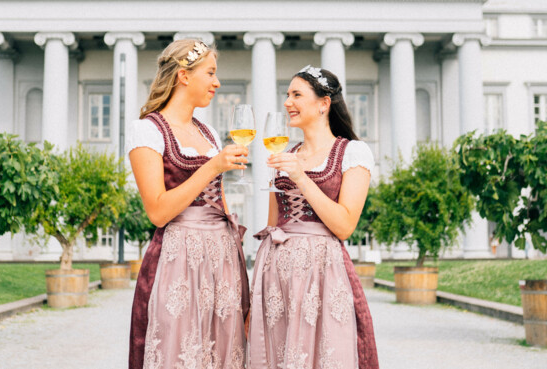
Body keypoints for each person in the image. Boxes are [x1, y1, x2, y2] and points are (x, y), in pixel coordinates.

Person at [127, 39, 250, 369]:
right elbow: (158, 211)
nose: (217, 82)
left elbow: (220, 201)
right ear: (184, 76)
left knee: (225, 352)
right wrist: (212, 166)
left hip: (221, 258)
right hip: (177, 259)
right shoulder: (147, 131)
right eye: (210, 73)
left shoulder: (208, 132)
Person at [248, 66, 379, 369]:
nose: (287, 102)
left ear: (323, 104)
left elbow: (344, 226)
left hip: (323, 274)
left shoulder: (353, 152)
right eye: (287, 94)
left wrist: (301, 176)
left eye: (296, 95)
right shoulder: (284, 152)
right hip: (276, 278)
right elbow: (273, 224)